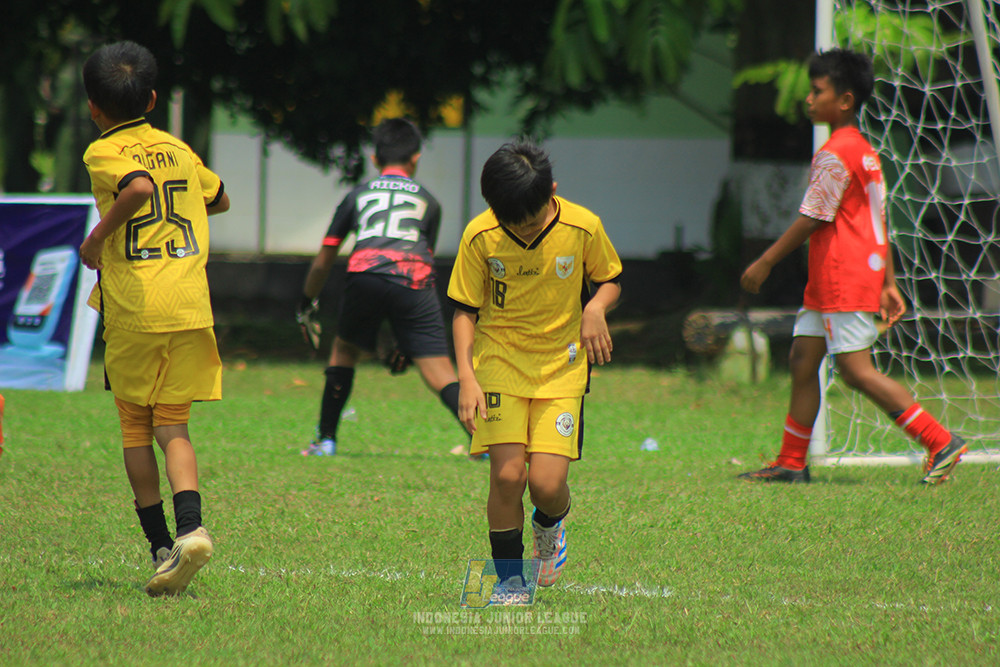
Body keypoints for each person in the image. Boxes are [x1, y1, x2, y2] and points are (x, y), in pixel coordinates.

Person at [738, 48, 966, 485]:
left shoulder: (836, 153)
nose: (808, 98)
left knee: (855, 371)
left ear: (843, 100)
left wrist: (765, 262)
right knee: (803, 359)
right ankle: (790, 463)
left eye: (817, 90)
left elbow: (814, 216)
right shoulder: (863, 150)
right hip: (841, 276)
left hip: (842, 274)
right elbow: (878, 219)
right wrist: (889, 282)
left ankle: (940, 441)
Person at [79, 41, 231, 596]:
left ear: (94, 107)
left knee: (135, 428)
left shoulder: (103, 152)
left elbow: (138, 187)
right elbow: (218, 199)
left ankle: (163, 547)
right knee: (175, 427)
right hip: (190, 306)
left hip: (137, 308)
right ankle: (193, 528)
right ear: (152, 97)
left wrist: (97, 238)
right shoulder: (179, 147)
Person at [447, 139, 622, 590]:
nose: (525, 232)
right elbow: (464, 310)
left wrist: (595, 308)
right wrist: (466, 376)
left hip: (561, 367)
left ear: (552, 193)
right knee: (508, 476)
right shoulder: (479, 236)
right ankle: (510, 582)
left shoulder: (583, 226)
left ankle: (551, 527)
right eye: (513, 224)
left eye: (533, 221)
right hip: (499, 362)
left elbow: (609, 280)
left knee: (545, 484)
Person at [296, 118, 465, 456]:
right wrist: (408, 339)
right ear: (415, 158)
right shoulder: (431, 202)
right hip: (413, 279)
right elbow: (424, 260)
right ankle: (485, 440)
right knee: (439, 370)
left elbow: (324, 258)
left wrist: (306, 301)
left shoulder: (357, 195)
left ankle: (326, 440)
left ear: (374, 159)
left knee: (344, 352)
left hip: (365, 275)